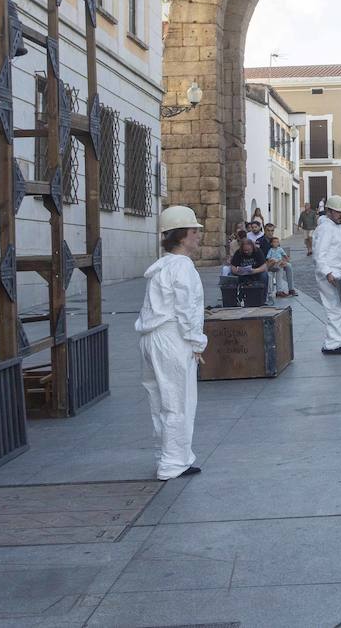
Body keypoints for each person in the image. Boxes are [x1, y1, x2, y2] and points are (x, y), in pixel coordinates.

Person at [136, 206, 206, 481]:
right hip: (171, 338)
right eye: (193, 231)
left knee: (161, 403)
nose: (198, 236)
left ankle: (169, 456)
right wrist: (197, 342)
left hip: (152, 337)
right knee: (179, 402)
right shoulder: (182, 267)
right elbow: (187, 310)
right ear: (181, 236)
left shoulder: (162, 266)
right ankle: (173, 462)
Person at [314, 195, 341, 355]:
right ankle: (331, 345)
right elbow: (319, 254)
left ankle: (333, 343)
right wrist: (327, 273)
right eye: (338, 212)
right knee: (335, 308)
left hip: (340, 272)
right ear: (329, 212)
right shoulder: (325, 228)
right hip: (329, 275)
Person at [227, 234, 272, 303]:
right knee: (230, 275)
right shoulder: (238, 253)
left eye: (248, 250)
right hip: (241, 274)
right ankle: (233, 299)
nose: (246, 252)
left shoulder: (257, 251)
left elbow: (264, 266)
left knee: (264, 275)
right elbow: (233, 266)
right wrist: (237, 271)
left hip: (255, 273)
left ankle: (263, 298)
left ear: (252, 248)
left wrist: (254, 271)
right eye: (245, 250)